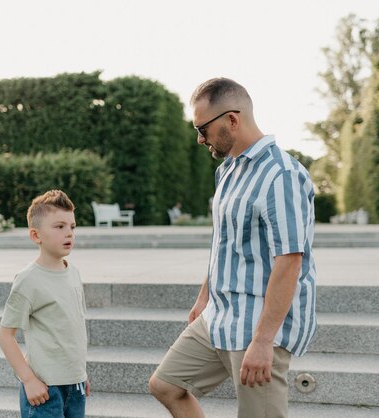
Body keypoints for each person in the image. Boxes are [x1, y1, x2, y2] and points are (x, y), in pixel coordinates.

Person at [149, 78, 317, 418]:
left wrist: (264, 341)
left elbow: (290, 261)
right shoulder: (227, 171)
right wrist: (203, 296)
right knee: (165, 385)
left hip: (258, 324)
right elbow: (224, 242)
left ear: (232, 120)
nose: (199, 138)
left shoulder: (281, 175)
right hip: (219, 317)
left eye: (203, 128)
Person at [0, 189, 89, 418]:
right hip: (44, 389)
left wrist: (81, 373)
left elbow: (72, 328)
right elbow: (5, 336)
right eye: (59, 227)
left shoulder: (74, 273)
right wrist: (28, 380)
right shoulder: (28, 280)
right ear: (36, 236)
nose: (69, 233)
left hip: (75, 384)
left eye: (72, 227)